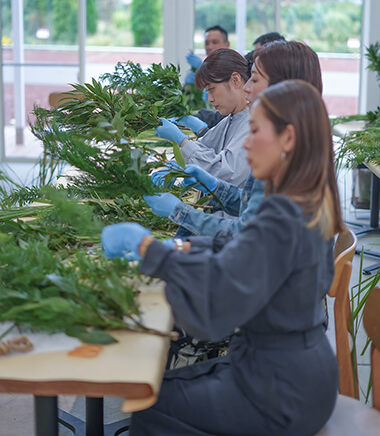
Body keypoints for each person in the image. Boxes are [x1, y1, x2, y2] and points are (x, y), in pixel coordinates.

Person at [101, 79, 342, 436]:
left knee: (152, 405)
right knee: (165, 387)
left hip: (281, 390)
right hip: (299, 374)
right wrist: (181, 247)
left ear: (288, 138)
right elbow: (241, 247)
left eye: (256, 131)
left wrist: (149, 251)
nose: (246, 142)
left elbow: (220, 301)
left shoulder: (280, 215)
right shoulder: (300, 202)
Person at [148, 40, 322, 239]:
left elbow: (245, 234)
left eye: (255, 80)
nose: (247, 88)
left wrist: (180, 213)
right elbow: (251, 207)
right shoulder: (289, 142)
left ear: (283, 85)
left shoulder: (285, 155)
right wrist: (214, 187)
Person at [152, 48, 250, 188]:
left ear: (235, 80)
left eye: (211, 89)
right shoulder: (232, 118)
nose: (210, 99)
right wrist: (177, 163)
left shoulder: (253, 123)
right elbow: (204, 144)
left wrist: (181, 141)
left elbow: (226, 174)